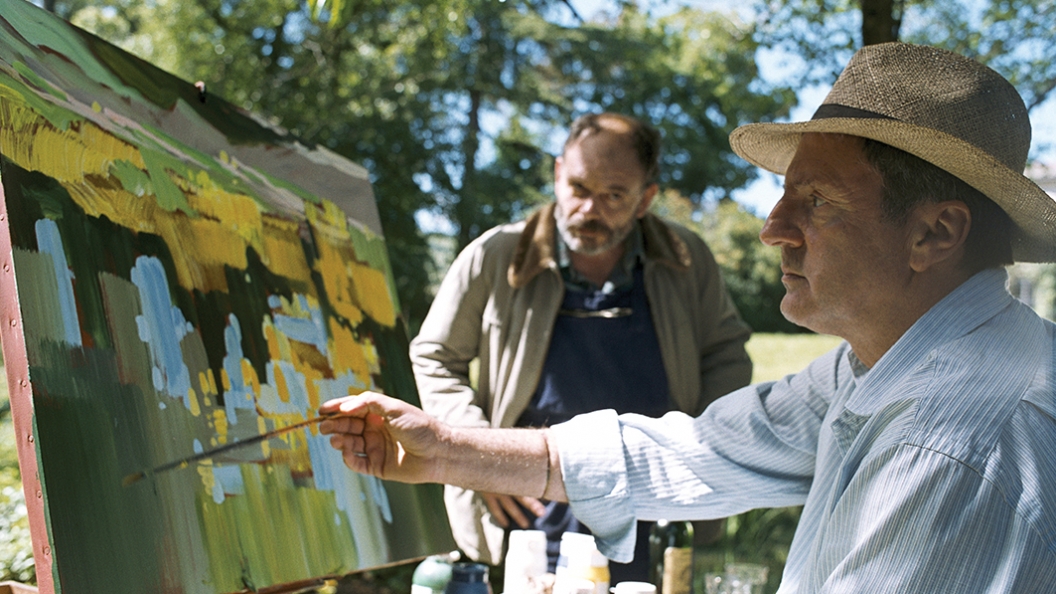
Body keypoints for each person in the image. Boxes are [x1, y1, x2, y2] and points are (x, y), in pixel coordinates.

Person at [321, 42, 1056, 593]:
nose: (772, 228)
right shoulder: (876, 366)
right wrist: (450, 450)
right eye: (784, 195)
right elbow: (699, 450)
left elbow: (719, 368)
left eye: (817, 201)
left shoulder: (957, 452)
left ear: (935, 233)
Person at [410, 111, 753, 579]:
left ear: (645, 199)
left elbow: (726, 355)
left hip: (651, 509)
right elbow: (435, 357)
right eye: (578, 188)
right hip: (526, 514)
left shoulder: (685, 259)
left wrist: (695, 457)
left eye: (614, 195)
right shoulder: (496, 255)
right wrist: (479, 458)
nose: (590, 210)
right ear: (557, 175)